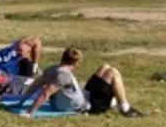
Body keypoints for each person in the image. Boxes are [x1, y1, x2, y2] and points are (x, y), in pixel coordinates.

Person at [15, 47, 144, 118]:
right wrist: (29, 113)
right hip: (88, 106)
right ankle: (125, 108)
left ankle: (112, 101)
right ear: (76, 62)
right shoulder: (63, 75)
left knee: (105, 67)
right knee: (113, 72)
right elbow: (45, 94)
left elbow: (35, 85)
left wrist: (21, 102)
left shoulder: (52, 69)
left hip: (84, 96)